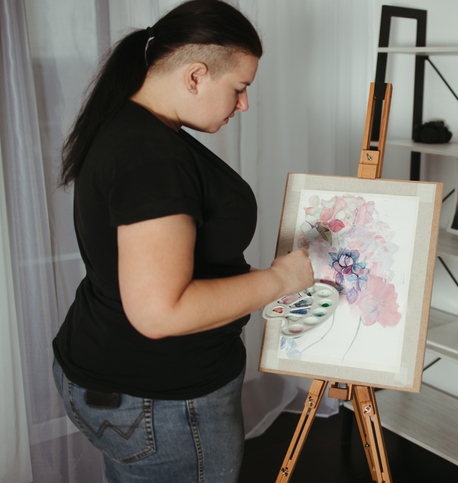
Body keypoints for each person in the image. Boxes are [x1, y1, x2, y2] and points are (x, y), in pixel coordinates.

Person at [52, 1, 314, 481]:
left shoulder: (132, 125)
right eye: (239, 88)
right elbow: (160, 312)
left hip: (116, 380)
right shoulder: (151, 156)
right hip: (161, 403)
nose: (244, 104)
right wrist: (279, 279)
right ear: (195, 76)